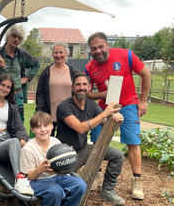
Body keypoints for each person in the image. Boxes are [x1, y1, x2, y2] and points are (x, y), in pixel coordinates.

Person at [85, 32, 151, 200]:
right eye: (94, 49)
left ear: (107, 45)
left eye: (101, 47)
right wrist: (102, 94)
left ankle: (137, 180)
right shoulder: (90, 67)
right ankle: (96, 175)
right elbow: (87, 93)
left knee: (133, 141)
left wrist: (143, 101)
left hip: (128, 104)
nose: (98, 51)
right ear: (90, 50)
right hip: (104, 108)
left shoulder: (125, 55)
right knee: (98, 141)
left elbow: (146, 75)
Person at [56, 73, 125, 205]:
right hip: (65, 153)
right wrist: (105, 113)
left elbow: (108, 127)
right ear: (72, 88)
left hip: (83, 148)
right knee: (63, 187)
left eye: (84, 85)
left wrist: (116, 120)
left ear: (89, 87)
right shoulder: (64, 106)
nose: (81, 87)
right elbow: (80, 128)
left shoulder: (91, 105)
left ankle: (108, 190)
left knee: (118, 155)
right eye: (78, 85)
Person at [20, 111, 86, 206]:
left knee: (80, 185)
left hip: (57, 176)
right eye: (38, 127)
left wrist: (68, 155)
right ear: (32, 130)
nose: (43, 130)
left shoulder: (55, 141)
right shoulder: (28, 149)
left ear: (51, 126)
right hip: (37, 180)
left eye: (46, 126)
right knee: (55, 191)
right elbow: (29, 177)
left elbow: (62, 168)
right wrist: (39, 170)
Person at [0, 73, 33, 195]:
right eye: (3, 85)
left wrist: (23, 139)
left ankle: (38, 178)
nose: (5, 89)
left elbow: (19, 126)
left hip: (8, 139)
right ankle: (20, 179)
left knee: (30, 144)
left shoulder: (11, 106)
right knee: (14, 142)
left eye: (8, 87)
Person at [0, 24, 41, 122]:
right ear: (7, 36)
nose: (16, 40)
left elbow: (37, 64)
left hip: (17, 95)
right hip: (0, 93)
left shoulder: (22, 55)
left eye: (19, 38)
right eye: (14, 36)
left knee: (18, 121)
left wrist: (27, 78)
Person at [36, 42, 79, 136]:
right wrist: (39, 111)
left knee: (65, 143)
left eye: (61, 52)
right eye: (56, 52)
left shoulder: (73, 72)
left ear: (66, 53)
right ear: (52, 54)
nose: (58, 55)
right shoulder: (46, 72)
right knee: (47, 142)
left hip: (68, 114)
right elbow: (40, 94)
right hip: (49, 114)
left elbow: (78, 92)